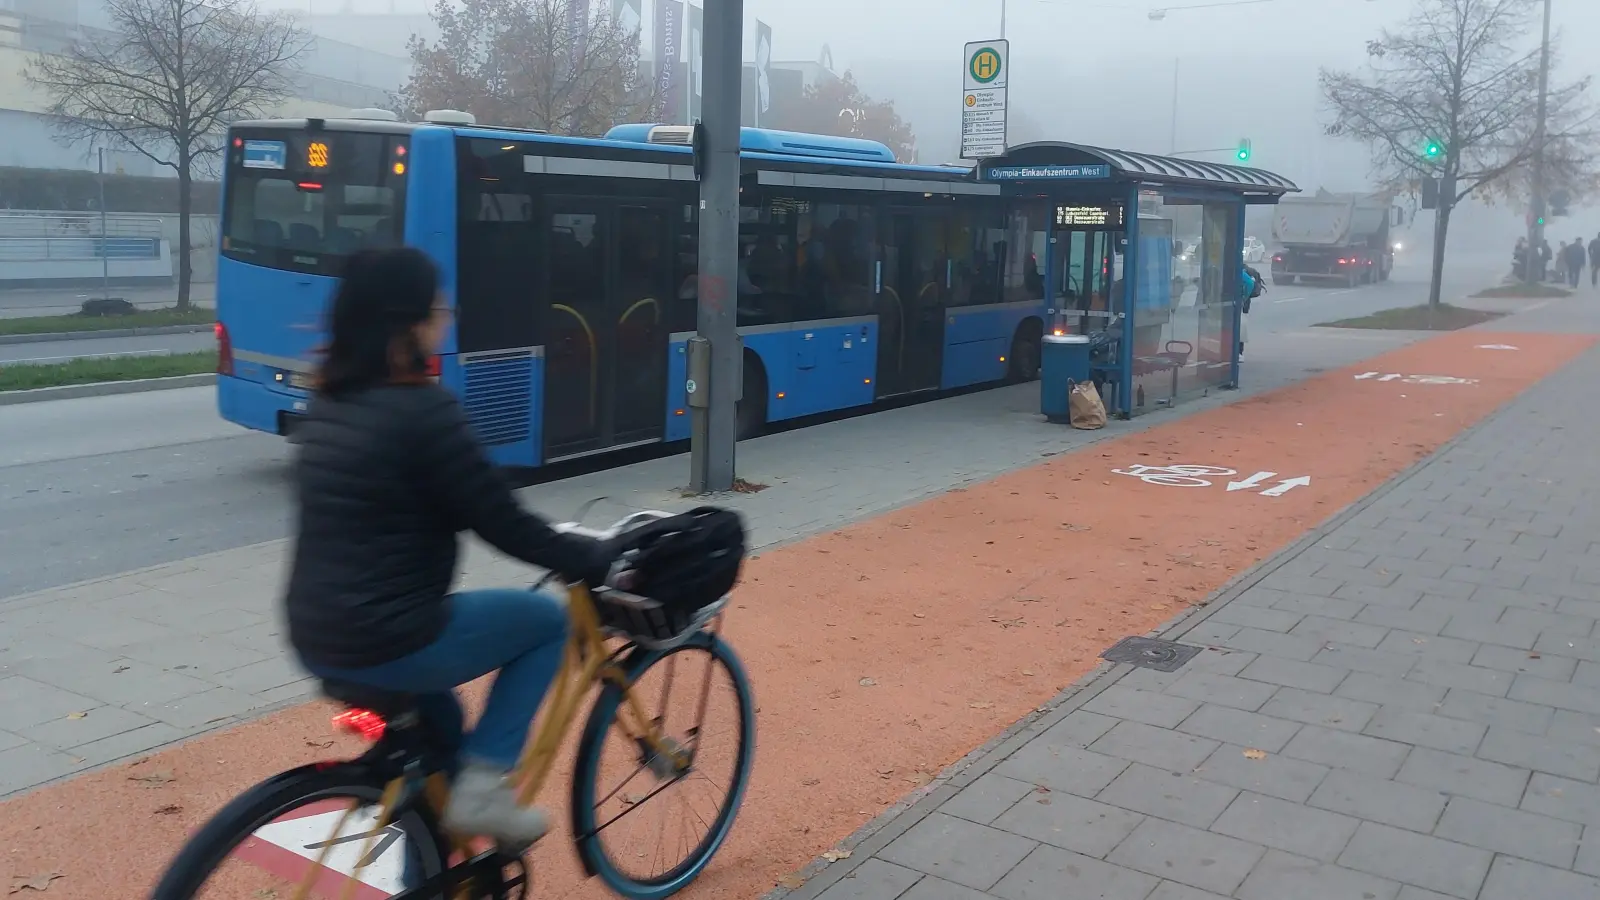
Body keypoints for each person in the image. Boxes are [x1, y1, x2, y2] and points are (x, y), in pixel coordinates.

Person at [284, 246, 615, 846]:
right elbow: (501, 521)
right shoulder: (422, 410)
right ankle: (485, 790)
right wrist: (590, 557)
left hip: (316, 635)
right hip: (390, 636)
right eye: (439, 308)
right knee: (545, 621)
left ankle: (435, 855)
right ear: (410, 323)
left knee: (440, 734)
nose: (446, 318)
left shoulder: (330, 402)